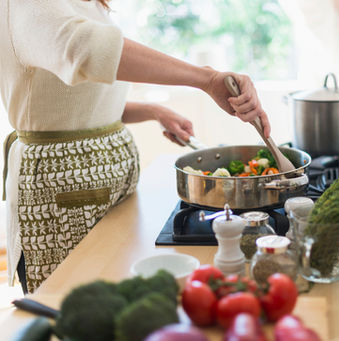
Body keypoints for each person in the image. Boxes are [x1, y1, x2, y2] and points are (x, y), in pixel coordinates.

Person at [0, 0, 271, 293]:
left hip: (110, 185)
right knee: (73, 303)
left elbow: (73, 106)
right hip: (63, 193)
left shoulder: (86, 4)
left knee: (115, 298)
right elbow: (86, 50)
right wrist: (207, 78)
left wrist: (153, 110)